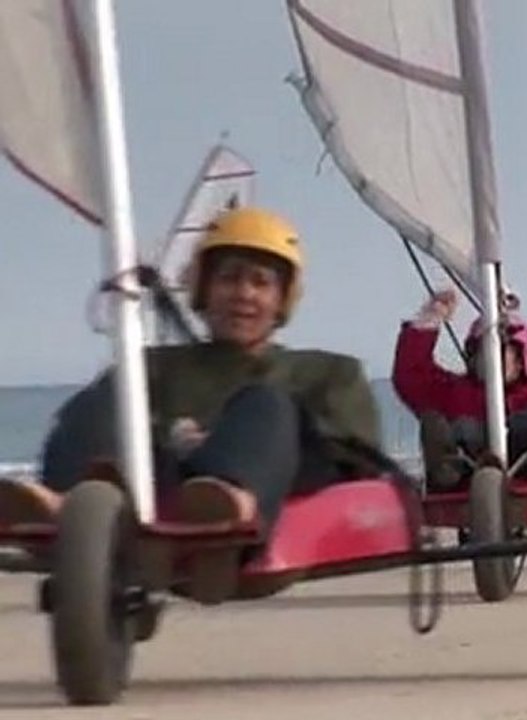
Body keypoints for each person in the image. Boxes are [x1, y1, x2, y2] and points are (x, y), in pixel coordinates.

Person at [0, 206, 382, 600]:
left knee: (267, 403)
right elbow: (100, 426)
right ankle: (68, 507)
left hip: (269, 482)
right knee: (110, 393)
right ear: (203, 289)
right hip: (164, 486)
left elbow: (354, 460)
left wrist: (225, 446)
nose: (243, 294)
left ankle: (226, 512)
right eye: (229, 278)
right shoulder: (152, 366)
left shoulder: (326, 371)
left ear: (282, 299)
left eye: (261, 282)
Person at [392, 289, 527, 490]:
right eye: (485, 351)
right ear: (473, 357)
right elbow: (410, 374)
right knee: (442, 424)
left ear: (520, 361)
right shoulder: (453, 392)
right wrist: (431, 317)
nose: (494, 360)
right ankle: (446, 470)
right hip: (466, 477)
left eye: (503, 352)